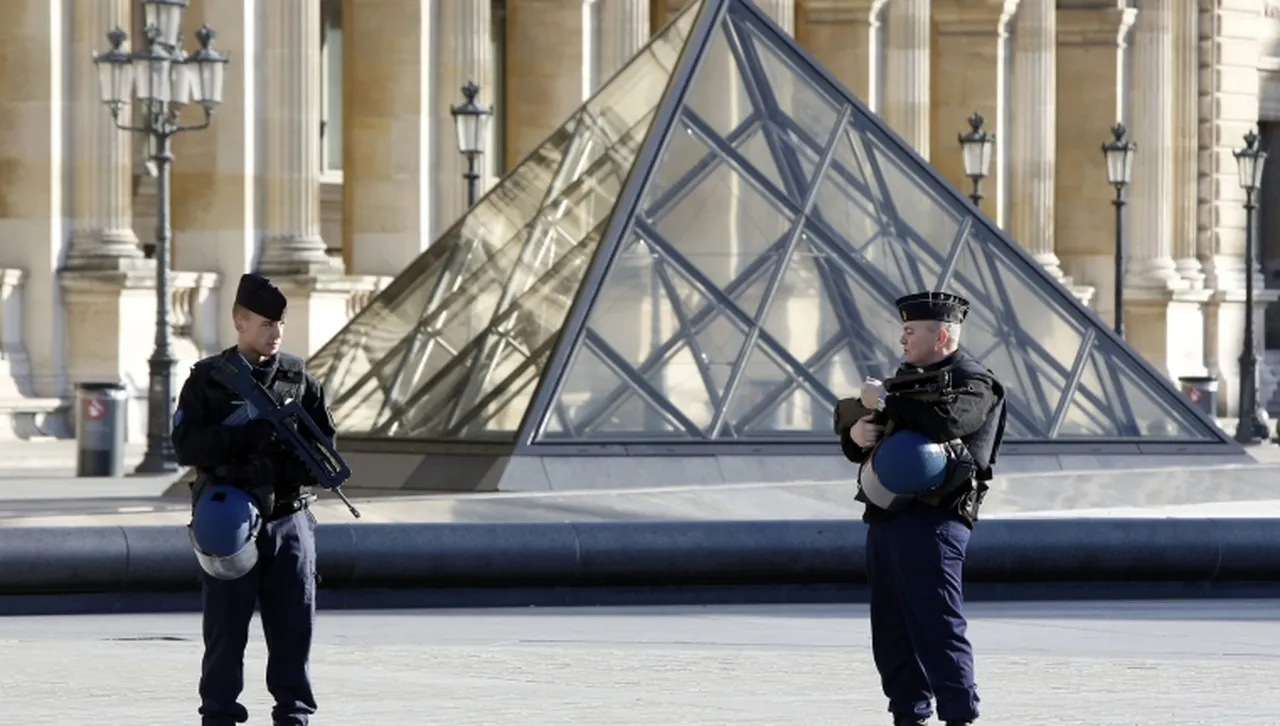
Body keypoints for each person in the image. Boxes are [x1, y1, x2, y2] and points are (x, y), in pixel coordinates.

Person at [834, 291, 1007, 726]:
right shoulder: (905, 382)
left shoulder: (976, 382)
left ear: (942, 335)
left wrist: (888, 404)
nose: (902, 339)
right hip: (887, 517)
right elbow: (868, 442)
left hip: (936, 520)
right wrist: (855, 433)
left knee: (937, 623)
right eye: (903, 330)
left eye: (911, 331)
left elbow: (949, 423)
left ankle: (957, 715)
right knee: (890, 630)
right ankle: (907, 713)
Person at [172, 273, 337, 726]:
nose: (275, 333)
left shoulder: (300, 380)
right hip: (231, 519)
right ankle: (220, 714)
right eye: (265, 323)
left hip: (290, 518)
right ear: (240, 322)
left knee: (294, 626)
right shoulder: (208, 380)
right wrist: (246, 439)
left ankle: (294, 714)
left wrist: (293, 462)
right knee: (226, 629)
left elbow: (325, 448)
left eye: (279, 324)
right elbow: (187, 445)